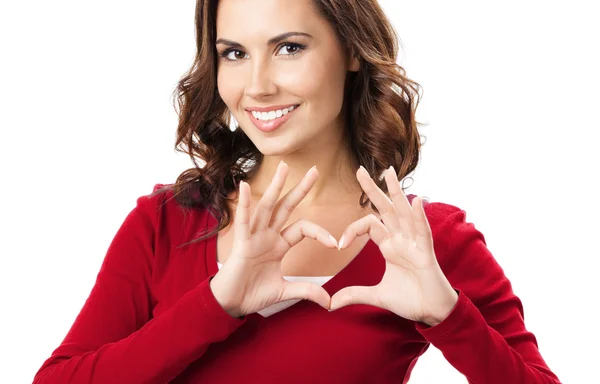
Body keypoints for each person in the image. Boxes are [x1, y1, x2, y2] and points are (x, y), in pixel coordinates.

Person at [33, 0, 561, 383]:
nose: (257, 85)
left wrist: (449, 317)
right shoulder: (165, 223)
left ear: (351, 50)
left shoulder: (425, 241)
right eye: (234, 53)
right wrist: (217, 303)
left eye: (288, 47)